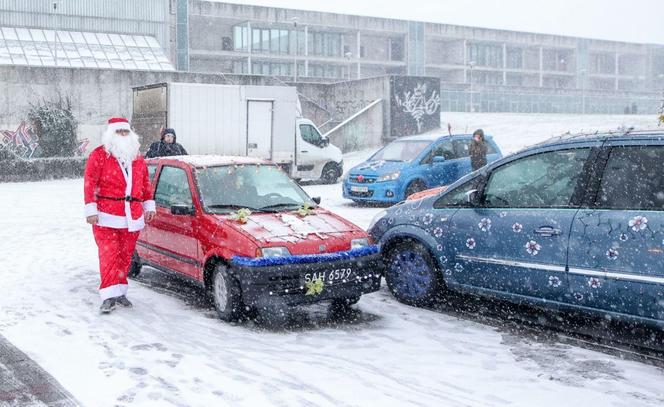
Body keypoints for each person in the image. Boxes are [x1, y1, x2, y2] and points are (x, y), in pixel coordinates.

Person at [84, 117, 156, 314]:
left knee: (125, 257)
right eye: (119, 132)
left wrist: (149, 205)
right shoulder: (99, 155)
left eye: (126, 132)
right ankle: (108, 295)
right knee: (109, 255)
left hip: (132, 216)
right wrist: (90, 209)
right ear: (111, 134)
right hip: (105, 215)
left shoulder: (137, 157)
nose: (123, 135)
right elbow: (90, 182)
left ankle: (120, 291)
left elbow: (145, 184)